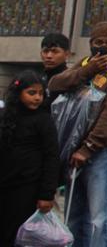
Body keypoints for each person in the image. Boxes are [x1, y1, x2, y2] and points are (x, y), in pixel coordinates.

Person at [49, 21, 107, 247]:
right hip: (74, 150)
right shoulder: (87, 63)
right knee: (74, 215)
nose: (103, 47)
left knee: (100, 218)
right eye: (98, 42)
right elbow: (55, 83)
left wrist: (89, 147)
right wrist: (86, 71)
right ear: (90, 44)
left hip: (101, 152)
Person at [0, 70, 60, 247]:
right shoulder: (5, 117)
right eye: (32, 93)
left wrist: (47, 194)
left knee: (19, 235)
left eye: (41, 93)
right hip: (4, 185)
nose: (37, 98)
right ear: (18, 93)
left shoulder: (43, 120)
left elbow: (51, 157)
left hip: (28, 189)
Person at [39, 32, 71, 109]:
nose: (49, 56)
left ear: (67, 54)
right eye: (46, 51)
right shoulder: (39, 80)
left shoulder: (72, 79)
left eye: (55, 51)